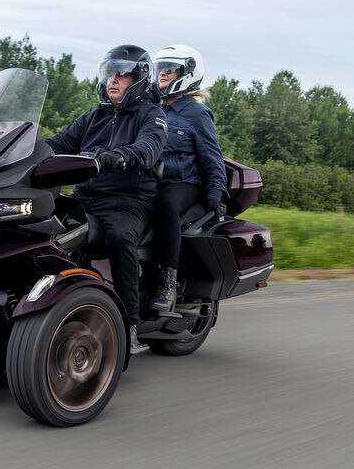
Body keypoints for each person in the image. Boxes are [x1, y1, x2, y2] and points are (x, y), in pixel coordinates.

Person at [46, 44, 167, 353]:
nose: (113, 80)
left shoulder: (152, 115)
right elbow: (57, 143)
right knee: (47, 229)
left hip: (127, 200)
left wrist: (118, 156)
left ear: (138, 79)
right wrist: (14, 151)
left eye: (122, 74)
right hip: (86, 196)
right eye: (109, 73)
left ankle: (128, 325)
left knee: (120, 237)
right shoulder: (94, 115)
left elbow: (149, 148)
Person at [148, 44, 228, 314]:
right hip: (151, 180)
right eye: (159, 69)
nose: (162, 75)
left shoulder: (197, 114)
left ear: (187, 73)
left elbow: (212, 158)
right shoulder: (151, 108)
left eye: (169, 70)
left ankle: (167, 280)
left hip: (184, 183)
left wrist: (216, 194)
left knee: (166, 203)